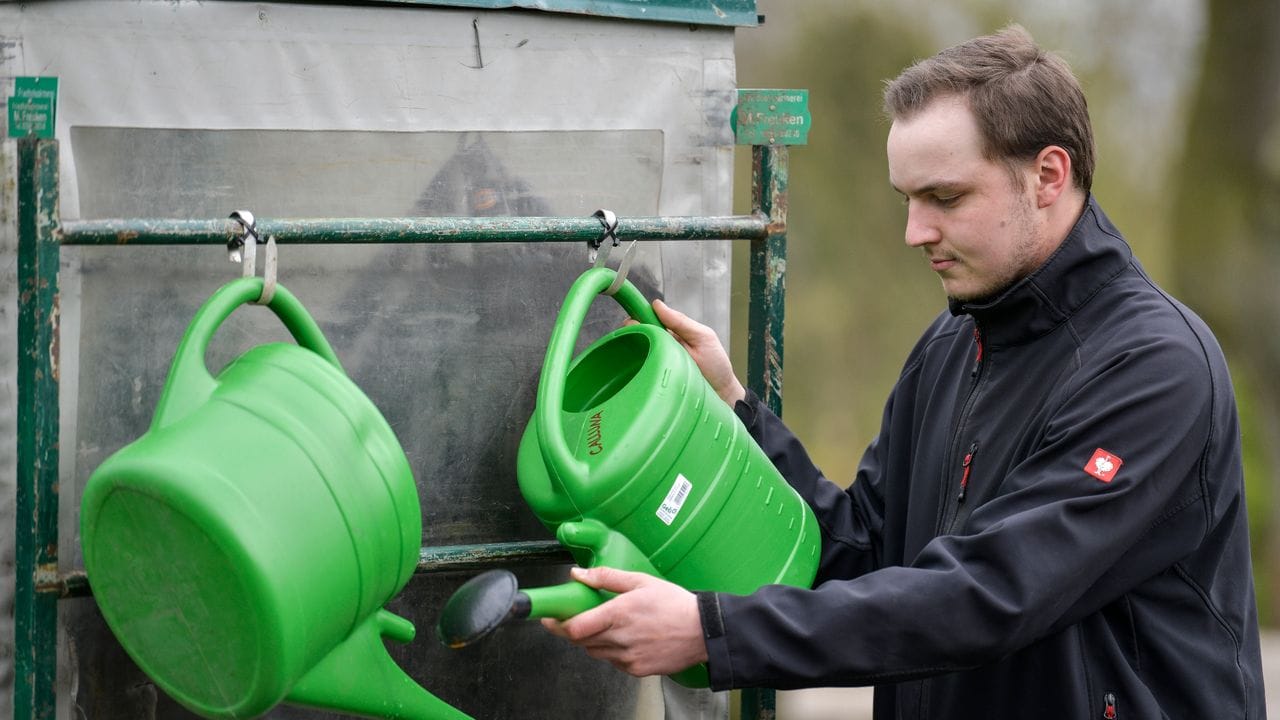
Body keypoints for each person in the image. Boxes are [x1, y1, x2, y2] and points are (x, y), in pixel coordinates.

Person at [541, 24, 1267, 718]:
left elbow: (989, 596)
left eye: (945, 198)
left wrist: (712, 630)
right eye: (908, 200)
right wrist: (732, 408)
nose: (915, 232)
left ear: (1048, 174)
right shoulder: (953, 342)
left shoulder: (1155, 368)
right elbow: (862, 550)